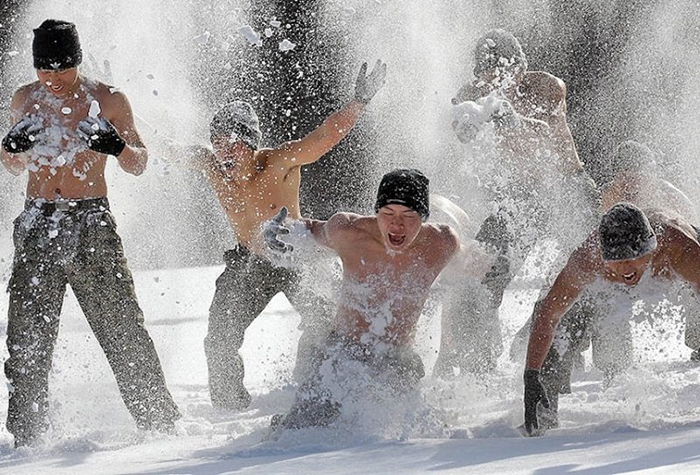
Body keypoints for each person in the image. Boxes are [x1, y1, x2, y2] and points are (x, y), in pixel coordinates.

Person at [0, 20, 180, 447]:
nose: (54, 80)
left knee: (120, 325)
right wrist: (9, 148)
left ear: (77, 63)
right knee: (26, 332)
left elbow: (139, 164)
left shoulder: (108, 100)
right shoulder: (25, 99)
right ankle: (28, 436)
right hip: (38, 221)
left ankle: (160, 424)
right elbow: (12, 168)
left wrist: (116, 146)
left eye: (62, 70)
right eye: (45, 70)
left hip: (91, 222)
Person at [186, 60, 387, 411]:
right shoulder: (212, 167)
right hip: (249, 262)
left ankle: (333, 391)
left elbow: (324, 138)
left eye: (232, 144)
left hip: (296, 257)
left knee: (329, 328)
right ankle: (228, 407)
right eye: (218, 144)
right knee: (219, 338)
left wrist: (358, 103)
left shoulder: (278, 162)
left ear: (250, 143)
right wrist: (115, 117)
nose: (224, 153)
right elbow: (164, 146)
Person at [436, 29, 600, 376]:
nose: (498, 83)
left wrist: (513, 119)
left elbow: (550, 135)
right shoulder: (470, 96)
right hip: (517, 196)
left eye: (506, 73)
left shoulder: (547, 86)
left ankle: (583, 353)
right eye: (488, 76)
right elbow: (460, 128)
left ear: (521, 68)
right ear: (478, 76)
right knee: (477, 274)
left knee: (594, 267)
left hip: (567, 187)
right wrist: (465, 130)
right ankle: (475, 365)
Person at [263, 169, 465, 429]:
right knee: (299, 432)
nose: (396, 225)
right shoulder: (348, 231)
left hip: (397, 359)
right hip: (342, 353)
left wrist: (493, 264)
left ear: (424, 217)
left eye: (408, 216)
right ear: (376, 212)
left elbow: (471, 261)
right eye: (388, 213)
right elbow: (312, 230)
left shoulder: (441, 243)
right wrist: (279, 231)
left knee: (406, 432)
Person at [522, 203, 700, 436]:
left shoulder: (680, 251)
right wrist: (531, 375)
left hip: (682, 257)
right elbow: (548, 316)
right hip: (605, 281)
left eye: (633, 259)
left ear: (650, 249)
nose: (625, 268)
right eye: (617, 261)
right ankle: (542, 416)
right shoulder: (588, 259)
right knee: (563, 320)